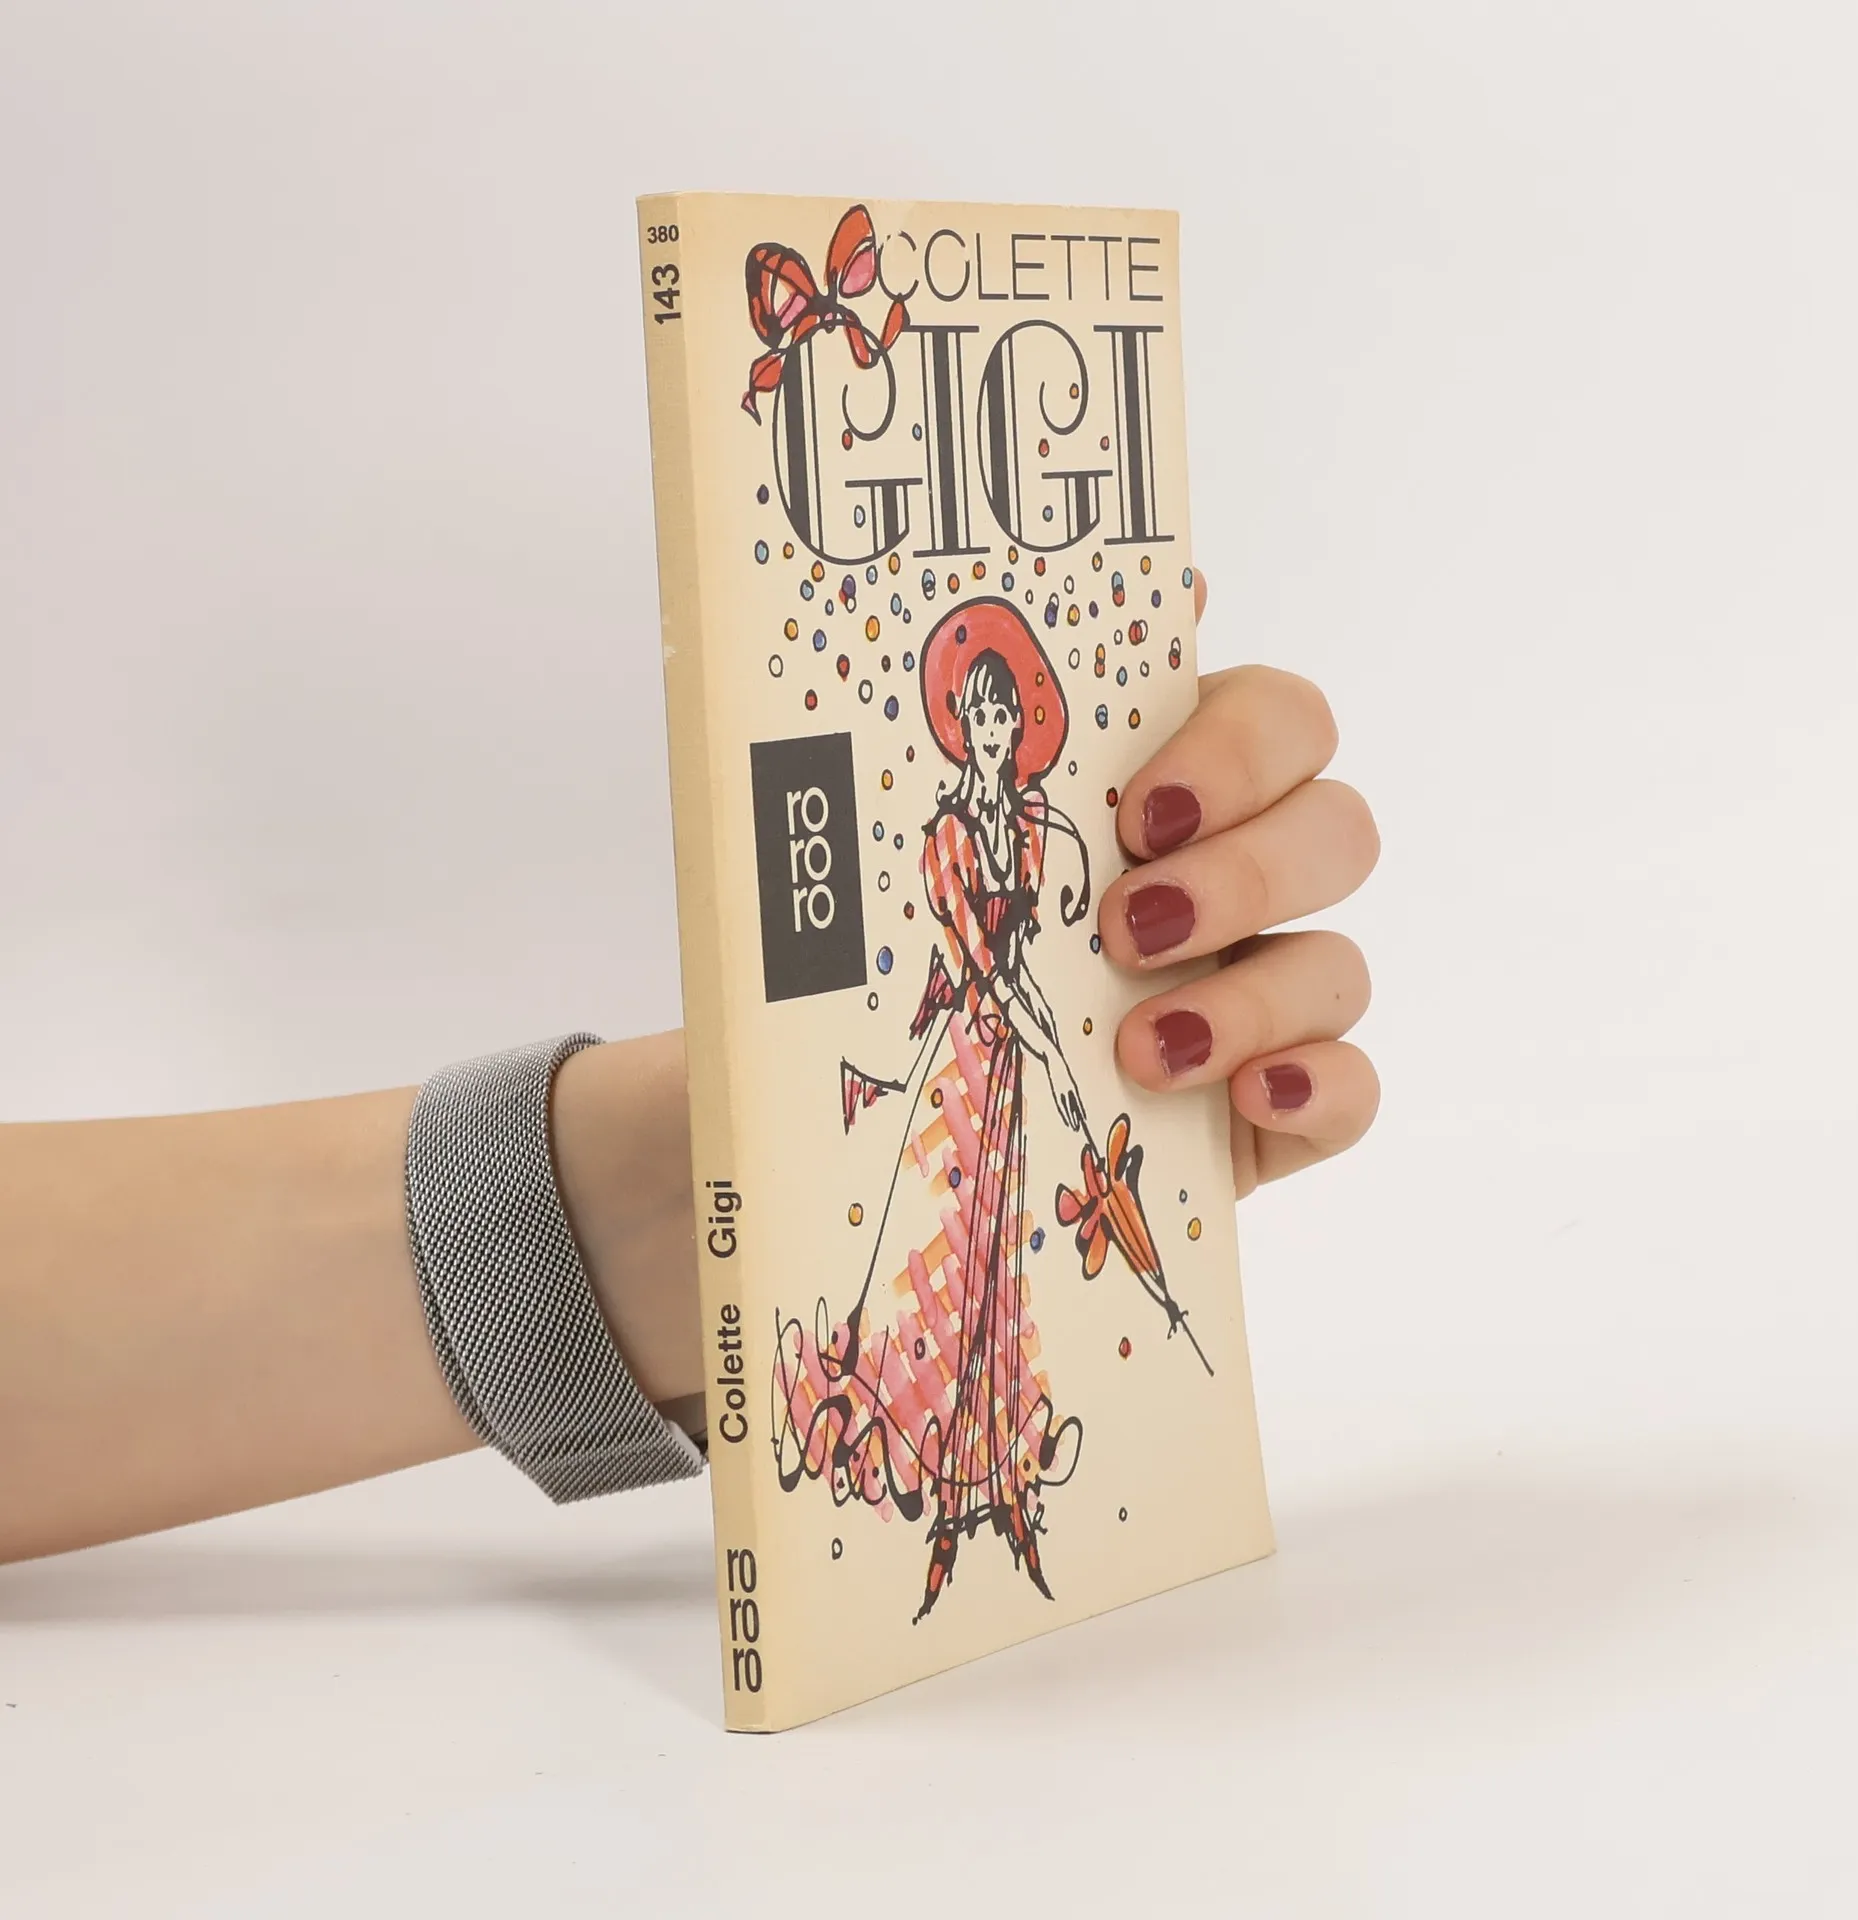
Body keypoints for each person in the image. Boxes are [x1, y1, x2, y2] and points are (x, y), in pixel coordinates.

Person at [0, 575, 1379, 1568]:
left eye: (1004, 704)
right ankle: (951, 1458)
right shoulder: (959, 843)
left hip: (1000, 1086)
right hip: (970, 1074)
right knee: (936, 1264)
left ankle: (985, 1463)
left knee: (985, 1275)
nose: (994, 725)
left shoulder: (1042, 834)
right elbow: (985, 974)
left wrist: (677, 1187)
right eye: (973, 707)